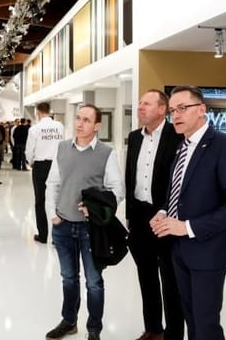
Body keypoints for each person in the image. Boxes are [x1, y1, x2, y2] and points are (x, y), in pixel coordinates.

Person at [150, 85, 226, 340]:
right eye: (173, 110)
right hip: (179, 249)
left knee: (206, 324)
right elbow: (178, 193)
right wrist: (163, 211)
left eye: (182, 108)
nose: (176, 115)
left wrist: (187, 227)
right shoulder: (181, 147)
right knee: (192, 319)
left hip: (209, 250)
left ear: (202, 109)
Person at [45, 104, 125, 340]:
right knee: (69, 278)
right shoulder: (62, 148)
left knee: (94, 282)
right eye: (78, 118)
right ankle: (69, 321)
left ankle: (94, 329)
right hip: (63, 225)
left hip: (92, 229)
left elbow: (117, 190)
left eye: (86, 120)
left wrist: (96, 209)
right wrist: (53, 214)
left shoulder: (106, 153)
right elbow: (52, 183)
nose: (79, 124)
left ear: (97, 125)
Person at [125, 90, 184, 340]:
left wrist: (169, 212)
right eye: (140, 103)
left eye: (147, 104)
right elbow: (130, 177)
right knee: (146, 275)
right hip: (139, 216)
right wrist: (129, 214)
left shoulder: (176, 136)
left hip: (165, 215)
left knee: (170, 279)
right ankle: (153, 329)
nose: (140, 107)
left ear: (162, 110)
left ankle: (174, 334)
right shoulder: (134, 137)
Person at [25, 102, 64, 244]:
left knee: (40, 200)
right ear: (50, 111)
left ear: (37, 112)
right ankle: (58, 236)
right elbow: (63, 145)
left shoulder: (35, 129)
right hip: (57, 164)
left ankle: (43, 235)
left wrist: (30, 161)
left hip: (40, 165)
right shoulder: (59, 126)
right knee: (58, 199)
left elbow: (30, 150)